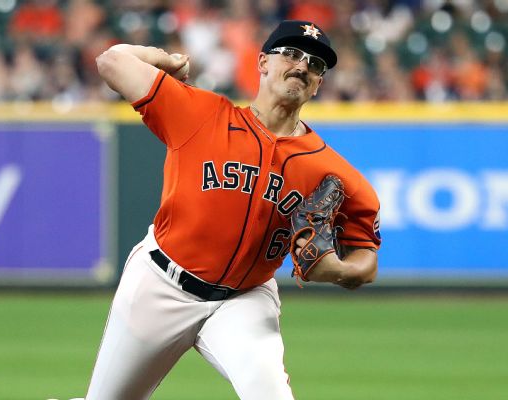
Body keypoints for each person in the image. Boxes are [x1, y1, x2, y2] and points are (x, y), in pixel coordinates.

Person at [87, 20, 382, 399]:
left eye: (315, 64)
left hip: (244, 300)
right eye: (291, 54)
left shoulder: (333, 172)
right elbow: (111, 61)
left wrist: (341, 271)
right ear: (262, 63)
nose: (302, 66)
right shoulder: (200, 114)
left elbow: (366, 259)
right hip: (160, 283)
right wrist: (162, 59)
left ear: (318, 84)